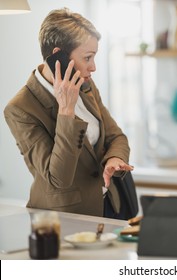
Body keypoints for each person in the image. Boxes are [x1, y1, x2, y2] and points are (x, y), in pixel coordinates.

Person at [3, 8, 133, 218]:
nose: (93, 67)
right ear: (58, 57)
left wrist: (114, 158)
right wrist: (66, 112)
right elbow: (58, 178)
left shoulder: (85, 85)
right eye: (88, 58)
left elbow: (116, 136)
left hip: (108, 205)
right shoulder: (20, 109)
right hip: (63, 218)